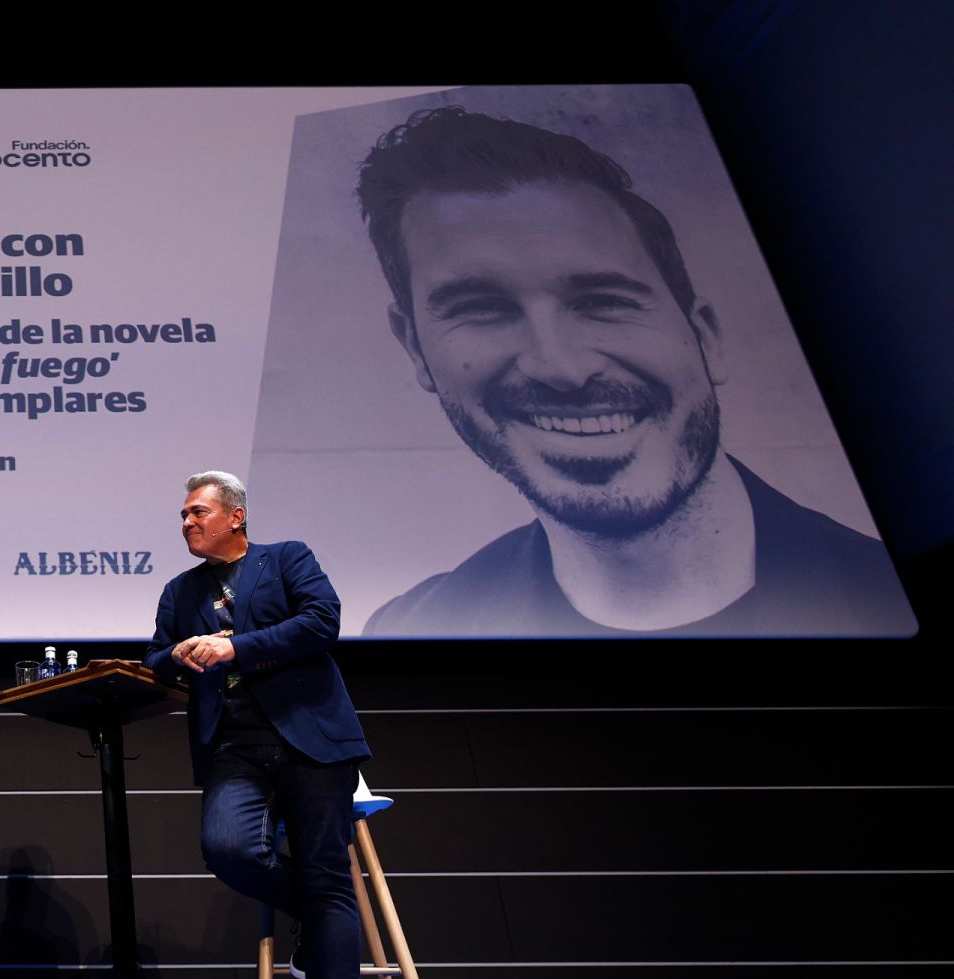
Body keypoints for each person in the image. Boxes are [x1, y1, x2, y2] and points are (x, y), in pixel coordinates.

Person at [356, 106, 913, 636]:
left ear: (706, 335)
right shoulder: (403, 627)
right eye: (480, 309)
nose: (562, 368)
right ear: (415, 349)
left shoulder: (902, 594)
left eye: (604, 301)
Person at [145, 471, 372, 979]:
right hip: (234, 746)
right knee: (230, 850)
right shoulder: (180, 590)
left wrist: (236, 649)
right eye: (183, 515)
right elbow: (154, 658)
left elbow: (322, 623)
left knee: (328, 879)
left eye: (198, 512)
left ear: (236, 516)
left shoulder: (287, 558)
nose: (186, 523)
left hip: (312, 740)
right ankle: (314, 916)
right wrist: (181, 654)